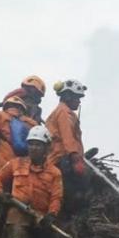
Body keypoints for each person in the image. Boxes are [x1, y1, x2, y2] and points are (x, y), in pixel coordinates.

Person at [45, 79, 90, 227]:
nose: (79, 101)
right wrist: (75, 158)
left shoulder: (64, 112)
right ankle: (67, 222)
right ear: (67, 96)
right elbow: (67, 136)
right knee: (73, 191)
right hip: (62, 159)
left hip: (63, 158)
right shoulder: (64, 112)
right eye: (77, 97)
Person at [0, 96, 37, 174]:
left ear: (6, 106)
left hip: (5, 165)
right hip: (27, 168)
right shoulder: (31, 123)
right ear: (22, 109)